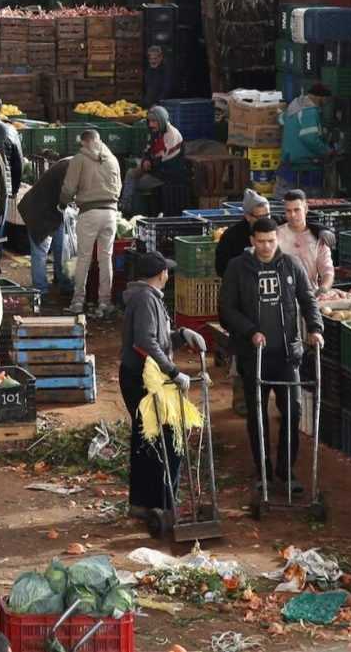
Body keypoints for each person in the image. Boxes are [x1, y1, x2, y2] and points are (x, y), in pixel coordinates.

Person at [219, 217, 323, 494]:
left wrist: (315, 328)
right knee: (257, 413)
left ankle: (286, 471)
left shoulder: (290, 265)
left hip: (287, 355)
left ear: (277, 239)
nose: (266, 247)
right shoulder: (237, 268)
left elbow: (308, 299)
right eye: (261, 242)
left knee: (293, 411)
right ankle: (262, 469)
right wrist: (251, 331)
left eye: (271, 241)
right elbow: (227, 309)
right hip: (254, 356)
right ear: (252, 241)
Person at [121, 251, 203, 522]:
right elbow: (145, 341)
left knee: (147, 439)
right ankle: (163, 505)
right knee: (166, 440)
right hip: (144, 379)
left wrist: (179, 336)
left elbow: (154, 336)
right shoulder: (146, 299)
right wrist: (173, 371)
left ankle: (144, 504)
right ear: (161, 274)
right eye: (167, 270)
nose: (168, 274)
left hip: (142, 376)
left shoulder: (145, 297)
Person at [60, 128, 123, 318]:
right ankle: (105, 303)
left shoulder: (79, 159)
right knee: (105, 259)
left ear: (85, 141)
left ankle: (78, 302)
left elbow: (69, 187)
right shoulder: (112, 159)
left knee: (84, 258)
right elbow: (119, 187)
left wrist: (63, 202)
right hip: (111, 213)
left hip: (89, 213)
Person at [15, 155, 76, 301]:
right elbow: (66, 194)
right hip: (40, 212)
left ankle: (64, 283)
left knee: (61, 248)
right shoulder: (71, 168)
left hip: (55, 213)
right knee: (40, 252)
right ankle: (39, 290)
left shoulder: (71, 163)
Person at [123, 105, 187, 217]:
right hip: (153, 168)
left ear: (161, 120)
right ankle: (124, 206)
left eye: (154, 121)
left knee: (137, 184)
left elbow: (167, 162)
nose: (151, 124)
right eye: (149, 121)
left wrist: (150, 165)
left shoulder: (172, 135)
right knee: (131, 174)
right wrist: (145, 161)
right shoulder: (155, 133)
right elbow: (147, 150)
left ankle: (132, 213)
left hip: (165, 174)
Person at [275, 190, 335, 292]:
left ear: (306, 209)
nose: (292, 215)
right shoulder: (276, 235)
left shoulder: (318, 238)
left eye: (297, 210)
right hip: (281, 294)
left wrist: (324, 288)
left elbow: (327, 269)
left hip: (310, 294)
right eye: (288, 211)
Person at [279, 81, 332, 192]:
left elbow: (280, 120)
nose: (325, 103)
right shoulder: (310, 111)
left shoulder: (295, 104)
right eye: (325, 99)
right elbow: (309, 138)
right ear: (317, 97)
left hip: (288, 160)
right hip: (304, 164)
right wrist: (325, 150)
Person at [215, 190, 273, 277]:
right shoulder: (231, 236)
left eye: (267, 215)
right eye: (260, 217)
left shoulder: (277, 225)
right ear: (248, 216)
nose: (265, 220)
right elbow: (221, 268)